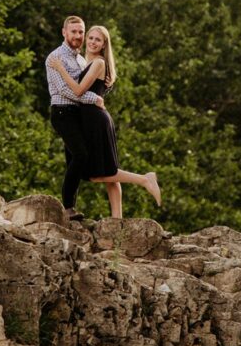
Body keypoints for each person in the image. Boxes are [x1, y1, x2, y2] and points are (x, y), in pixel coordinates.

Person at [49, 25, 161, 219]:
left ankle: (145, 179)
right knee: (109, 170)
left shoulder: (98, 63)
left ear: (104, 45)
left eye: (97, 40)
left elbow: (77, 91)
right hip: (91, 117)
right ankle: (117, 219)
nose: (92, 42)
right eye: (90, 38)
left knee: (100, 172)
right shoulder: (86, 62)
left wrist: (60, 68)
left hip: (94, 119)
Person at [45, 15, 106, 221]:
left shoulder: (81, 59)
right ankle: (68, 208)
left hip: (77, 114)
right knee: (80, 155)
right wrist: (93, 98)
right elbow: (63, 89)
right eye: (74, 31)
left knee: (74, 158)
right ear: (64, 32)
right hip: (62, 112)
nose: (78, 36)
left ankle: (70, 207)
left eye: (81, 32)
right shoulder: (55, 58)